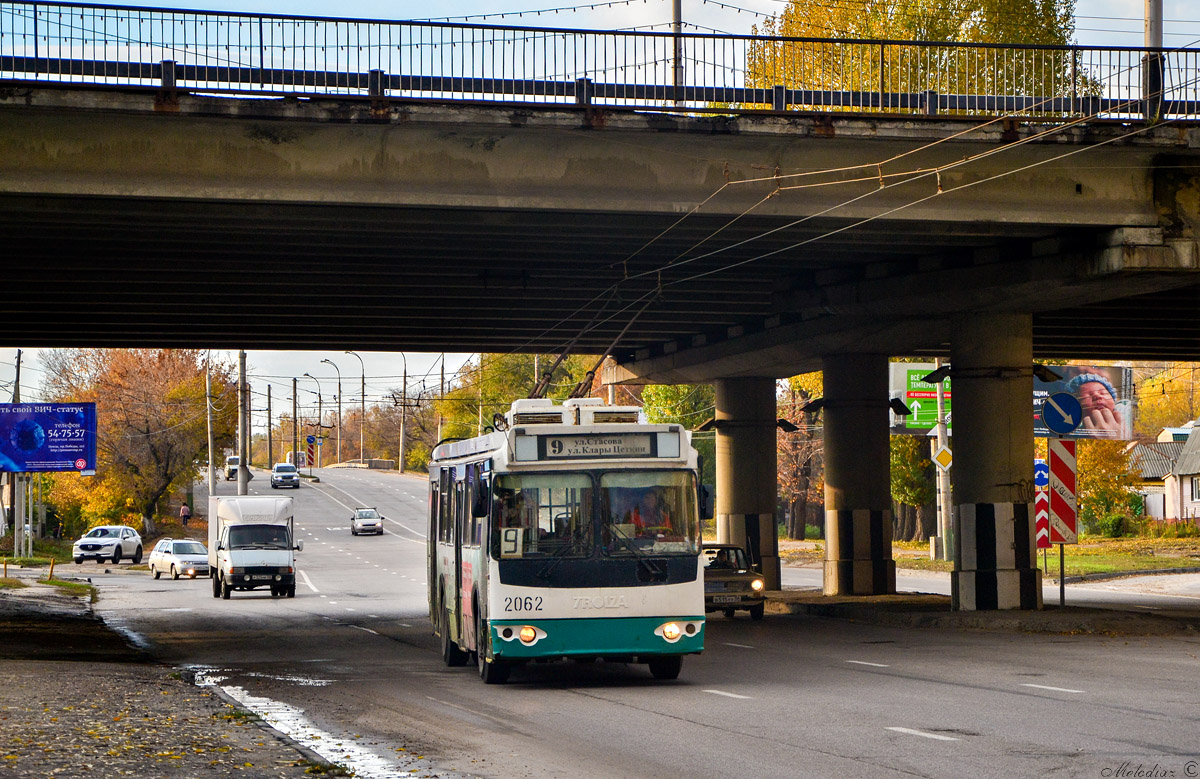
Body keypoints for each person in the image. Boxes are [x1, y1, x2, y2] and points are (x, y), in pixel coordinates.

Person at [1066, 373, 1126, 438]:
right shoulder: (1076, 431)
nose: (1097, 396)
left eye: (1102, 393)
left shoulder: (1124, 411)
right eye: (1088, 396)